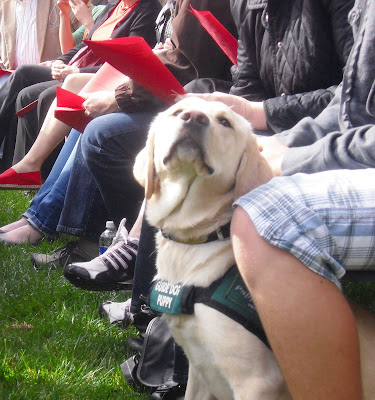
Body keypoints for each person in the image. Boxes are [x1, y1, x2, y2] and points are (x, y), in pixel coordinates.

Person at [0, 0, 161, 173]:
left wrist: (77, 70)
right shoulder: (116, 5)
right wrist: (60, 60)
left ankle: (37, 172)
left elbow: (125, 63)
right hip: (81, 68)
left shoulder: (147, 11)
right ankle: (15, 169)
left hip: (103, 76)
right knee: (24, 74)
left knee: (38, 95)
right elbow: (86, 42)